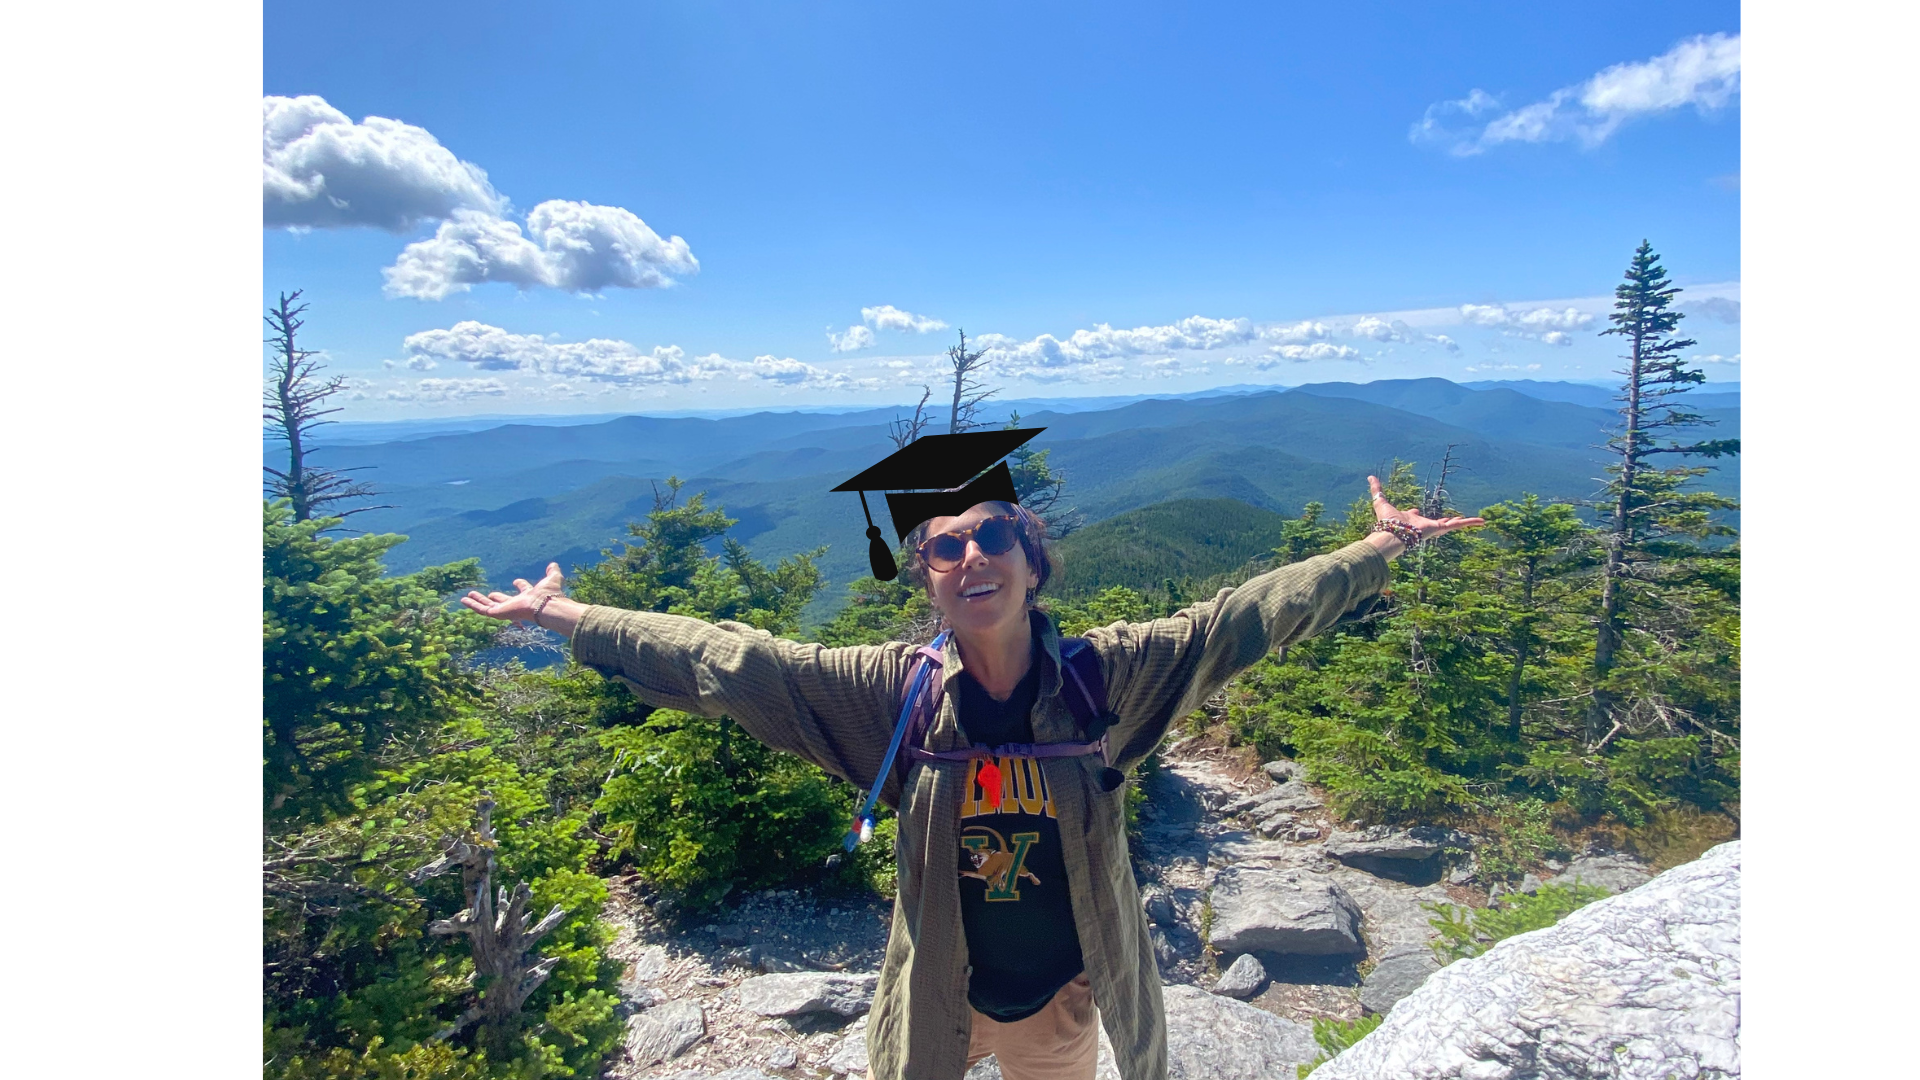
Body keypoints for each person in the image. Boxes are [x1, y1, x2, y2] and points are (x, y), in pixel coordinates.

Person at [461, 475, 1484, 1080]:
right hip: (938, 999)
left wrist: (1376, 548)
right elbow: (730, 662)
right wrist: (564, 619)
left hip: (1061, 1001)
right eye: (944, 547)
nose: (969, 555)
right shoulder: (890, 700)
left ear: (1033, 566)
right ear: (930, 582)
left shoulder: (1104, 681)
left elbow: (1244, 618)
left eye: (994, 535)